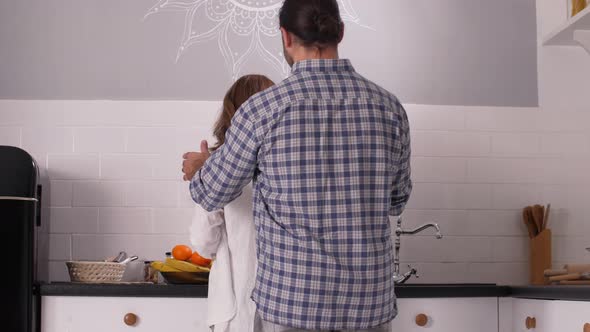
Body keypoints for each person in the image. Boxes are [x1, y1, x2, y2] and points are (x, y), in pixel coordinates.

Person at [182, 0, 412, 331]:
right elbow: (397, 201)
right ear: (341, 32)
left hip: (292, 304)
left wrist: (205, 164)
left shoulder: (262, 109)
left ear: (286, 37)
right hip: (368, 305)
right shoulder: (389, 108)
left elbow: (211, 192)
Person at [188, 74, 275, 332]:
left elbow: (203, 241)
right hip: (284, 306)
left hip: (234, 308)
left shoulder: (219, 167)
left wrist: (206, 171)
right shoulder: (287, 166)